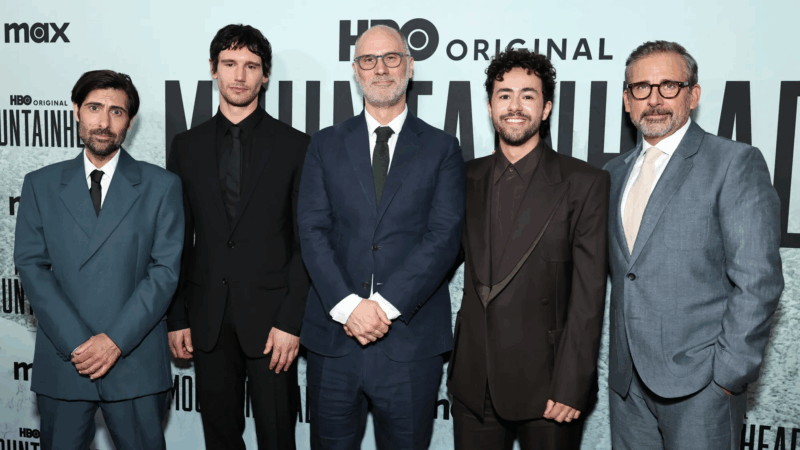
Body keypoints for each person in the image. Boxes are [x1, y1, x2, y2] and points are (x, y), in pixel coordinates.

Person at [605, 40, 783, 449]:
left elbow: (758, 281)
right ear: (627, 101)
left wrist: (727, 375)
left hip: (702, 386)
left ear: (693, 95)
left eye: (668, 86)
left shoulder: (733, 162)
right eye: (641, 88)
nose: (654, 99)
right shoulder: (613, 173)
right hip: (628, 386)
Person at [297, 24, 465, 450]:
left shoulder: (443, 148)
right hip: (335, 342)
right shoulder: (325, 144)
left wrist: (383, 308)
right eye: (369, 60)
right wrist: (349, 306)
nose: (381, 69)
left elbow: (444, 237)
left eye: (391, 58)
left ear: (409, 66)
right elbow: (312, 230)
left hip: (410, 343)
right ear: (356, 71)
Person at [447, 49, 609, 450]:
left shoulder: (584, 183)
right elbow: (434, 259)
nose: (514, 106)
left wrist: (572, 385)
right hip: (474, 383)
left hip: (549, 389)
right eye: (504, 95)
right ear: (489, 107)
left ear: (546, 107)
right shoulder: (463, 178)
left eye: (528, 95)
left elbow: (589, 298)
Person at [14, 70, 183, 450]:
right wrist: (78, 344)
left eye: (116, 112)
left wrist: (115, 341)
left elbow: (165, 271)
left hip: (134, 361)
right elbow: (31, 268)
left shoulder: (162, 186)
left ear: (130, 121)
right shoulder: (39, 185)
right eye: (94, 108)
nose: (104, 122)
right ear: (76, 110)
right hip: (64, 360)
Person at [165, 24, 310, 450]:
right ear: (213, 70)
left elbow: (306, 242)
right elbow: (177, 238)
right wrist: (177, 317)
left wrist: (290, 320)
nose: (240, 75)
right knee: (220, 439)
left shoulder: (295, 145)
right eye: (229, 64)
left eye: (251, 66)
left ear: (265, 75)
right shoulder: (186, 146)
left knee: (278, 437)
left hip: (272, 326)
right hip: (207, 319)